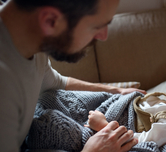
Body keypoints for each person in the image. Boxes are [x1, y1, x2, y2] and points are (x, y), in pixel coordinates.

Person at [0, 0, 147, 151]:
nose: (103, 36)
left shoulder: (32, 43)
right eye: (96, 26)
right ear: (50, 21)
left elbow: (57, 82)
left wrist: (116, 91)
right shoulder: (4, 86)